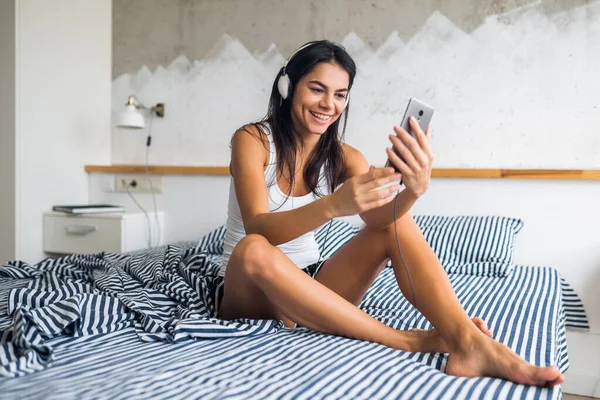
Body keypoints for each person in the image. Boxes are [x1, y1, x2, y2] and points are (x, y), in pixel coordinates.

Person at [217, 40, 563, 387]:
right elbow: (258, 227)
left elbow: (382, 222)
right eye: (317, 89)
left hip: (314, 288)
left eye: (340, 94)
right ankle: (406, 340)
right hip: (251, 287)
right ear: (288, 87)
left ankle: (467, 343)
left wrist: (413, 191)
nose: (328, 104)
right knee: (255, 249)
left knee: (398, 222)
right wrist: (334, 205)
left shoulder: (344, 157)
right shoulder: (252, 140)